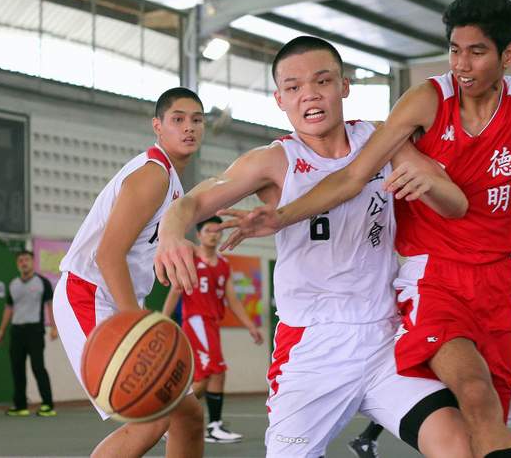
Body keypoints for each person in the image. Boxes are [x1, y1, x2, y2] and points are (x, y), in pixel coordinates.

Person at [219, 0, 511, 458]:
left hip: (497, 279)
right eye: (454, 50)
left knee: (482, 425)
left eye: (477, 52)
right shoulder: (425, 100)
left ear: (507, 54)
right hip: (432, 277)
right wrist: (277, 217)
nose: (462, 64)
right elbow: (354, 176)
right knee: (474, 390)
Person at [154, 36, 473, 458]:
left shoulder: (381, 141)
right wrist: (171, 235)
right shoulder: (273, 161)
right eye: (293, 87)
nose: (309, 94)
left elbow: (456, 205)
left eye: (322, 81)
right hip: (312, 346)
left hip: (385, 337)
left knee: (456, 442)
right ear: (280, 100)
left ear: (344, 86)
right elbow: (189, 203)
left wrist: (430, 185)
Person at [52, 87, 206, 458]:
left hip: (115, 300)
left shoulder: (172, 182)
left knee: (189, 415)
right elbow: (108, 255)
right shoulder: (153, 174)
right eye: (178, 119)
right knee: (155, 414)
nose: (189, 128)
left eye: (197, 120)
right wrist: (135, 323)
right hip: (87, 295)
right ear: (158, 126)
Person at [162, 215, 264, 444]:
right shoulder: (190, 258)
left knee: (215, 374)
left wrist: (250, 326)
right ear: (199, 235)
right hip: (196, 321)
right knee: (208, 375)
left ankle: (213, 425)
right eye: (208, 230)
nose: (214, 234)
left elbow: (232, 300)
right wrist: (163, 320)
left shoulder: (223, 264)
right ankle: (168, 418)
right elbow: (176, 290)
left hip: (212, 323)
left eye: (218, 231)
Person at [0, 250, 57, 417]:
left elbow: (49, 305)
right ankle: (20, 406)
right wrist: (2, 330)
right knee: (17, 369)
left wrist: (53, 327)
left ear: (33, 262)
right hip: (16, 331)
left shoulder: (42, 282)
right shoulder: (13, 284)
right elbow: (9, 308)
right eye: (21, 260)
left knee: (38, 367)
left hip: (34, 331)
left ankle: (47, 405)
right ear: (18, 264)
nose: (24, 263)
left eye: (27, 259)